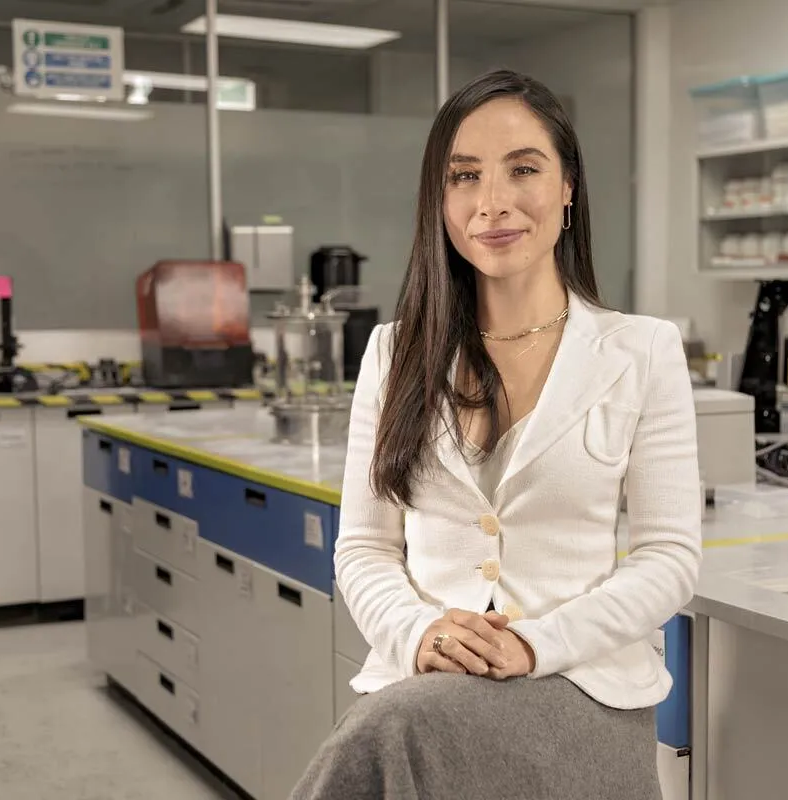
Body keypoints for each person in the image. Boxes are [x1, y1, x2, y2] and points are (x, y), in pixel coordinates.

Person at [288, 69, 702, 800]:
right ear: (439, 199)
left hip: (581, 690)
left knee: (384, 734)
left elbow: (669, 558)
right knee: (398, 725)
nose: (492, 203)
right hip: (427, 685)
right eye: (465, 176)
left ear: (568, 186)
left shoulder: (640, 351)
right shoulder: (393, 353)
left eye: (523, 169)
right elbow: (364, 547)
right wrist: (421, 633)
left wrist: (533, 643)